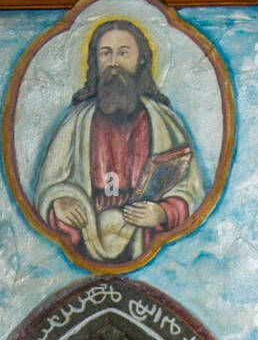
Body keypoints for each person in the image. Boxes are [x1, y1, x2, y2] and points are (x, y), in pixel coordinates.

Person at [35, 18, 204, 266]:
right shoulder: (75, 123)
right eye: (106, 54)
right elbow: (50, 185)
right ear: (95, 62)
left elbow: (190, 188)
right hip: (87, 231)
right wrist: (60, 202)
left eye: (123, 53)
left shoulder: (165, 122)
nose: (114, 63)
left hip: (146, 234)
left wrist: (162, 211)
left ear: (141, 60)